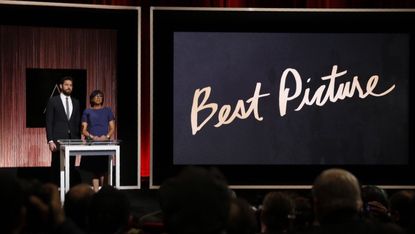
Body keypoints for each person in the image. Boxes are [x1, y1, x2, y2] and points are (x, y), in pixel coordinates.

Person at [45, 76, 81, 186]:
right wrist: (50, 140)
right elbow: (49, 121)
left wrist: (78, 140)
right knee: (56, 166)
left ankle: (69, 191)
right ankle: (54, 192)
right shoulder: (53, 101)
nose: (69, 87)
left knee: (71, 167)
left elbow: (77, 122)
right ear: (61, 86)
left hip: (73, 139)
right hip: (57, 139)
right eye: (66, 85)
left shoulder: (76, 102)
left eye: (70, 85)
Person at [81, 90, 115, 186]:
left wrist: (106, 137)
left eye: (100, 96)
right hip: (92, 144)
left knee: (104, 169)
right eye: (96, 96)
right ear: (91, 99)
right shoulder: (87, 111)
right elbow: (83, 130)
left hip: (104, 144)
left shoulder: (108, 110)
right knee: (94, 170)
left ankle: (104, 192)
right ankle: (96, 194)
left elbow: (112, 128)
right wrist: (92, 137)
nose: (98, 97)